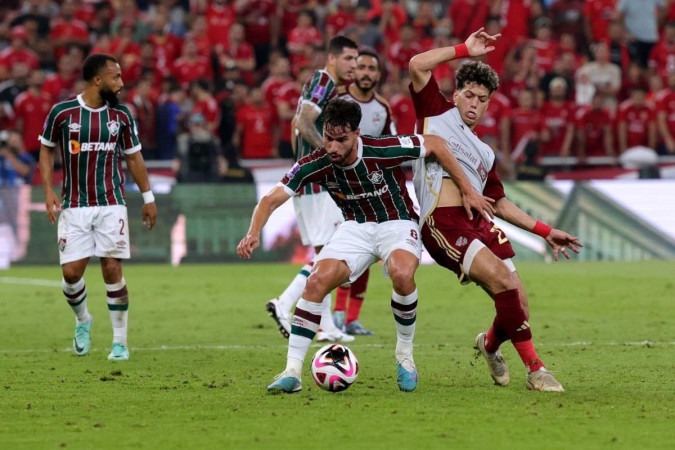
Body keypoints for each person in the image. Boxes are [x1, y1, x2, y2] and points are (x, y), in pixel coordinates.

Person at [237, 98, 494, 393]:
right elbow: (271, 198)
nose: (332, 147)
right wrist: (253, 232)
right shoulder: (316, 162)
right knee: (316, 281)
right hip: (355, 228)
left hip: (397, 222)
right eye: (328, 139)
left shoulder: (381, 148)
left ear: (356, 133)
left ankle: (405, 355)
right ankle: (292, 372)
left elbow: (435, 143)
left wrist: (468, 190)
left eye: (341, 140)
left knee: (401, 273)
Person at [408, 28, 583, 392]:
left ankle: (488, 345)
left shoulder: (485, 153)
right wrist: (463, 49)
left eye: (481, 98)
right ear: (455, 95)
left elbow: (499, 203)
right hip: (443, 222)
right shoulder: (435, 113)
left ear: (489, 104)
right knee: (504, 284)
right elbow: (416, 65)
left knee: (518, 303)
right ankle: (536, 370)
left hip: (480, 225)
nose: (473, 103)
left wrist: (545, 231)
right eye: (468, 94)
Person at [38, 53, 157, 362]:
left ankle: (120, 342)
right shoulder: (62, 113)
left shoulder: (121, 116)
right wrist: (49, 189)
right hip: (74, 205)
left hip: (111, 203)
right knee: (71, 273)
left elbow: (133, 157)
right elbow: (47, 149)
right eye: (115, 77)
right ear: (97, 80)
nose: (121, 82)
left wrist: (148, 197)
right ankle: (83, 319)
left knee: (112, 268)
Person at [264, 36, 358, 344]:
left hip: (310, 182)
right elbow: (304, 123)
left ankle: (326, 326)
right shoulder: (323, 80)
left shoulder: (319, 84)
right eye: (349, 59)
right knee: (329, 254)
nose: (353, 66)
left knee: (325, 254)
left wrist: (302, 161)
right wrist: (331, 154)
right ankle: (283, 303)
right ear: (332, 59)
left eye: (356, 60)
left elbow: (296, 124)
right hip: (318, 184)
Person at [332, 47, 397, 336]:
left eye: (373, 69)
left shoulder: (382, 108)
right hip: (337, 190)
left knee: (366, 255)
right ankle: (335, 314)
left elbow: (389, 148)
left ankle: (351, 319)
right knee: (339, 254)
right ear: (354, 71)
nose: (367, 73)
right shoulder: (338, 101)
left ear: (378, 75)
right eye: (362, 68)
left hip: (368, 193)